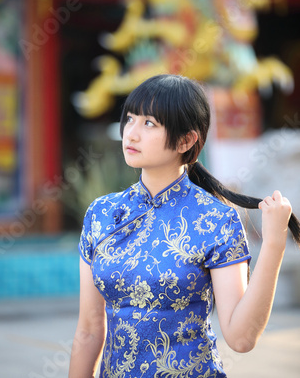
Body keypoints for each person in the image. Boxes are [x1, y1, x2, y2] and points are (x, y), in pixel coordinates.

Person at [69, 74, 300, 378]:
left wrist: (273, 244)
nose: (131, 133)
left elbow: (241, 338)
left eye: (149, 123)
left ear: (186, 140)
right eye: (130, 119)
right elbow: (88, 331)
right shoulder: (102, 214)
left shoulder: (216, 220)